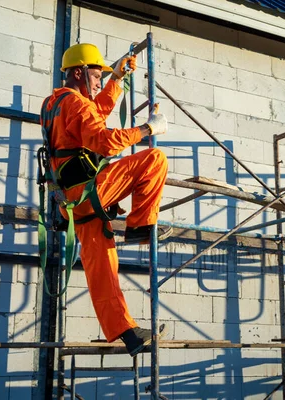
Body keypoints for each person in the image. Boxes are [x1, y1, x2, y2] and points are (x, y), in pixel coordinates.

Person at [40, 43, 170, 356]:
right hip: (87, 191)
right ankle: (139, 226)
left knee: (102, 266)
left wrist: (116, 81)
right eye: (96, 75)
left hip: (69, 202)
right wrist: (146, 128)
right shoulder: (76, 104)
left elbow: (93, 112)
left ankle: (127, 333)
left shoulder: (53, 103)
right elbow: (103, 140)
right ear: (77, 73)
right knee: (154, 159)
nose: (98, 82)